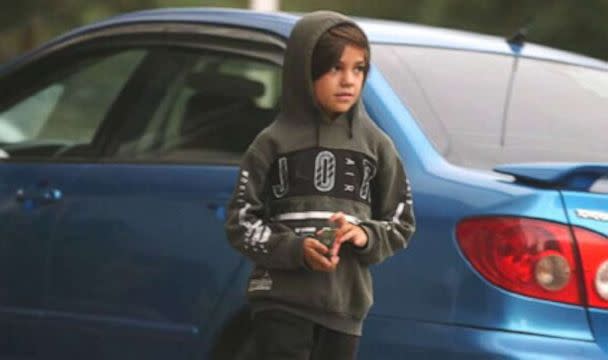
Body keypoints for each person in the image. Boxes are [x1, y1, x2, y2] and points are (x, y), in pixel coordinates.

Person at [224, 10, 416, 360]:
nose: (348, 80)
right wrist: (296, 250)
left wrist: (364, 235)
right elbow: (242, 222)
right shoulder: (272, 143)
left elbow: (401, 222)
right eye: (334, 69)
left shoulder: (377, 146)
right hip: (280, 302)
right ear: (303, 71)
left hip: (345, 307)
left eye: (358, 69)